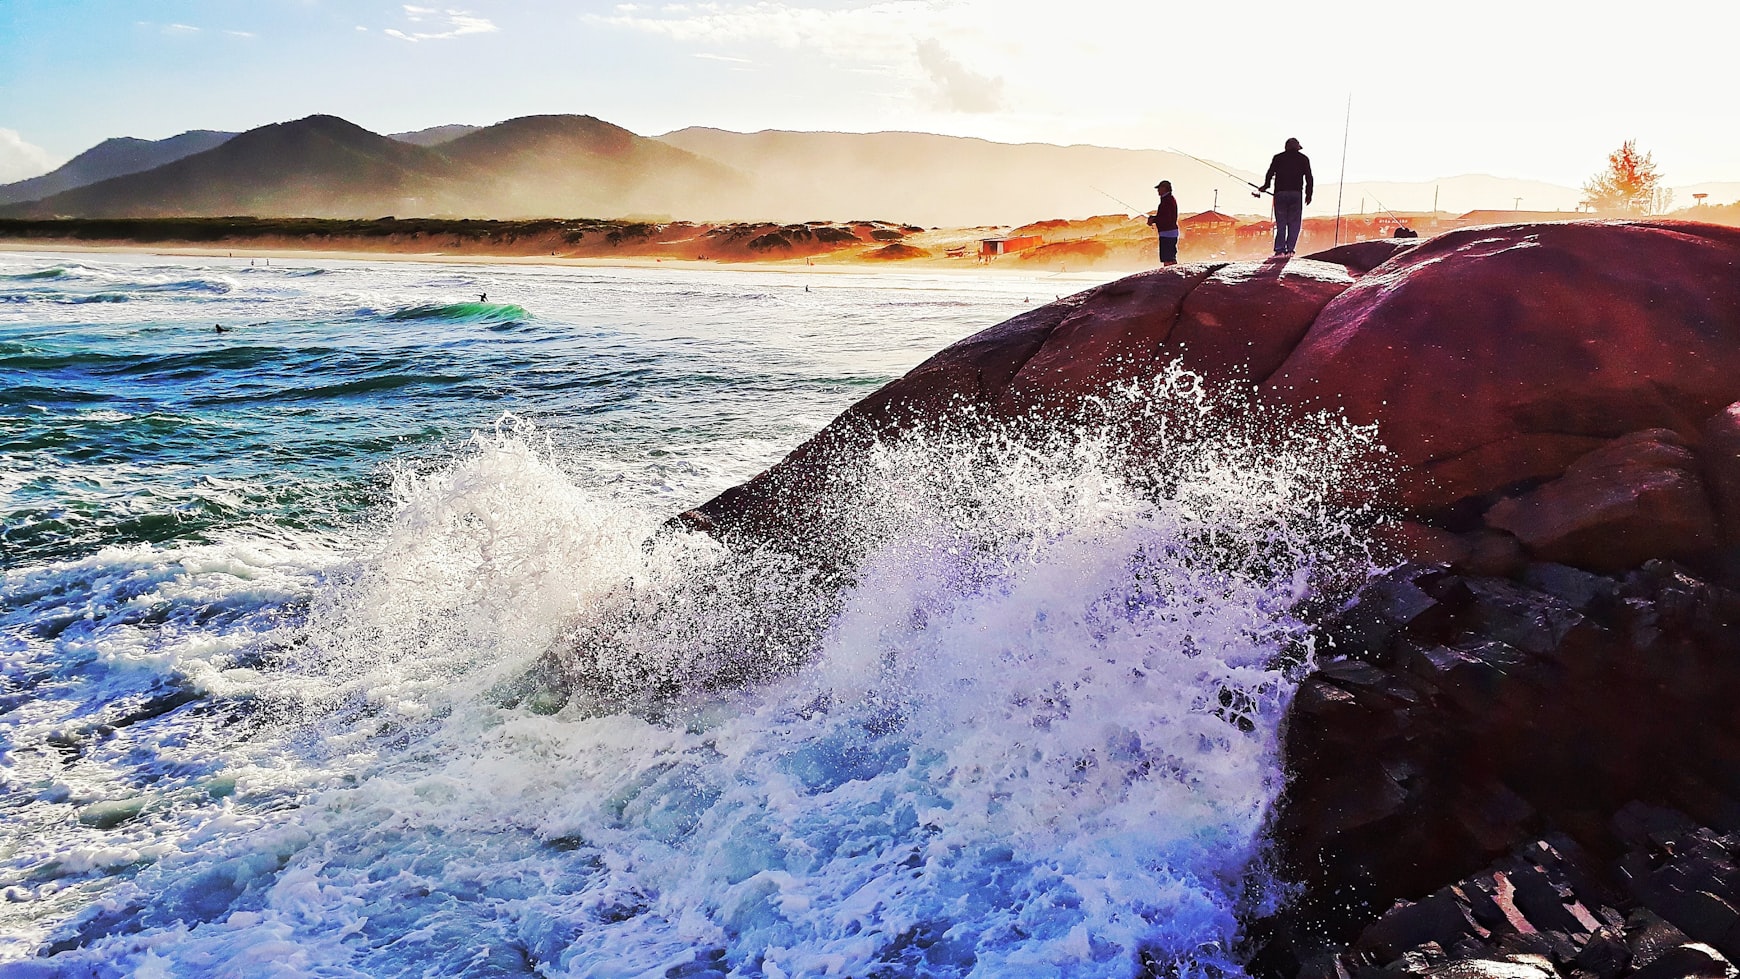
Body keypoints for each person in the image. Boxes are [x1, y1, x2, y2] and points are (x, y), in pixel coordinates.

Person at [1258, 138, 1314, 256]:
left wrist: (1265, 186)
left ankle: (1280, 250)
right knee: (1294, 223)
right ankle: (1290, 250)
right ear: (1297, 147)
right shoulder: (1303, 159)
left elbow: (1270, 173)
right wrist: (1308, 195)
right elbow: (1309, 177)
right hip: (1296, 194)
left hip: (1280, 193)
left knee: (1281, 222)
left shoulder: (1278, 158)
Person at [1147, 180, 1180, 267]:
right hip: (1169, 232)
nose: (1158, 190)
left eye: (1159, 188)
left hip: (1167, 233)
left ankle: (1171, 273)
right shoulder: (1168, 199)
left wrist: (1153, 219)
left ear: (1165, 188)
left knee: (1168, 258)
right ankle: (1172, 272)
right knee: (1169, 257)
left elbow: (1166, 218)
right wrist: (1154, 219)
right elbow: (1165, 216)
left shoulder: (1167, 201)